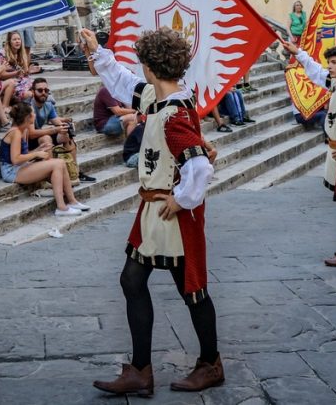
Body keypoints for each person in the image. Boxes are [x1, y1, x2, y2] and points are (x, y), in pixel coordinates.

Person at [82, 27, 223, 396]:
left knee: (192, 291)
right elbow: (121, 80)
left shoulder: (173, 113)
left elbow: (201, 167)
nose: (138, 69)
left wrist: (182, 200)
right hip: (153, 209)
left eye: (141, 63)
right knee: (132, 281)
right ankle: (141, 371)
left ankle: (210, 364)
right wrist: (98, 51)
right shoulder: (157, 99)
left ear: (149, 66)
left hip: (170, 214)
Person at [282, 37, 336, 264]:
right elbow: (317, 73)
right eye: (329, 62)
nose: (330, 66)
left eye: (335, 62)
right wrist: (298, 52)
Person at [0, 102, 88, 216]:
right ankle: (61, 207)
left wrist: (37, 150)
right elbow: (15, 159)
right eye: (33, 113)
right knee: (57, 164)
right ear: (28, 117)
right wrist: (37, 155)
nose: (35, 114)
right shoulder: (15, 132)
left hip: (19, 166)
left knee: (60, 163)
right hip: (11, 171)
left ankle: (72, 201)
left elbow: (24, 154)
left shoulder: (23, 130)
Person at [4, 31, 36, 101]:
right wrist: (15, 73)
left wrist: (29, 71)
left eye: (19, 39)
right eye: (14, 39)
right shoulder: (3, 54)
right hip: (11, 84)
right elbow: (1, 75)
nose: (17, 41)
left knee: (39, 88)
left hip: (23, 82)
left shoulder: (22, 53)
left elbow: (24, 73)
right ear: (9, 42)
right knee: (30, 94)